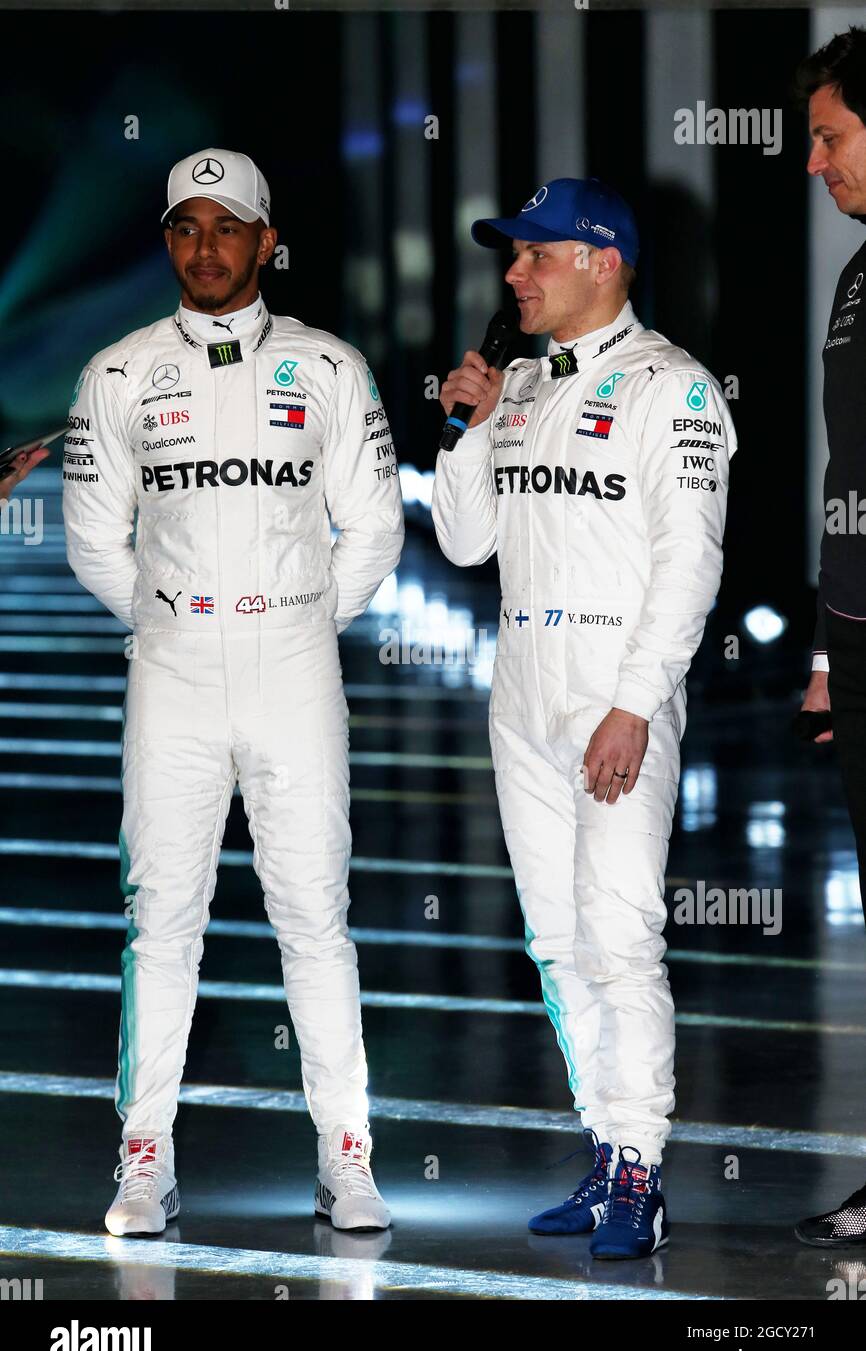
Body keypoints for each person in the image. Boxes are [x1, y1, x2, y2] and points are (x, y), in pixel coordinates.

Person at [62, 147, 404, 1236]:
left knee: (316, 918)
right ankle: (143, 1159)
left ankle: (347, 1156)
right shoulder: (114, 374)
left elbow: (377, 529)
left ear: (266, 238)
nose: (203, 248)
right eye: (183, 227)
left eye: (226, 227)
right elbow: (91, 543)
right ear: (167, 240)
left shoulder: (332, 368)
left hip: (293, 665)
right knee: (160, 921)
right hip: (172, 670)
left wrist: (296, 616)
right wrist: (176, 622)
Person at [432, 178, 736, 1259]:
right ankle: (603, 1148)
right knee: (556, 942)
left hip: (614, 683)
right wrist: (465, 427)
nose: (511, 273)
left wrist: (634, 703)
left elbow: (687, 564)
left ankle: (641, 1171)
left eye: (532, 255)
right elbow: (465, 542)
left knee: (617, 936)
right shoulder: (515, 384)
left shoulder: (675, 389)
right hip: (521, 683)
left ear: (601, 260)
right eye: (509, 257)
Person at [795, 28, 866, 1248]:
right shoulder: (857, 275)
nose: (812, 162)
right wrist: (819, 647)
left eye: (832, 138)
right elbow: (839, 470)